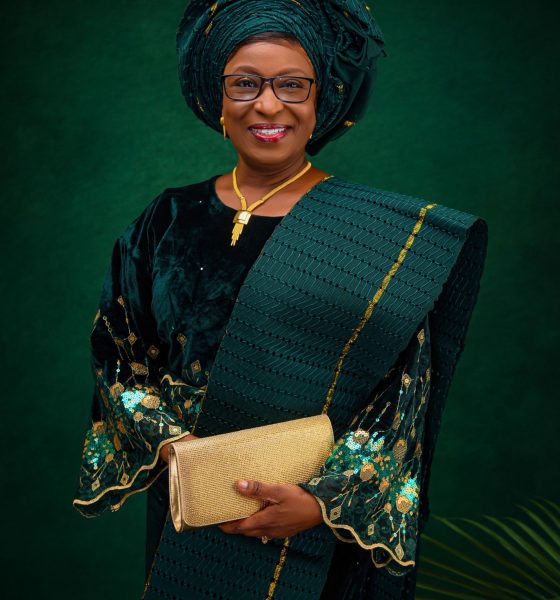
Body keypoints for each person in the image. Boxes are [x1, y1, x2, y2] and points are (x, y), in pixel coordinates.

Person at [73, 1, 487, 598]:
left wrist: (321, 502)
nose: (268, 105)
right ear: (217, 99)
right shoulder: (166, 217)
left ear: (322, 100)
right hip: (191, 503)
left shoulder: (377, 234)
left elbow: (404, 390)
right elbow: (117, 350)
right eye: (245, 84)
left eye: (292, 85)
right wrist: (178, 449)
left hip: (317, 528)